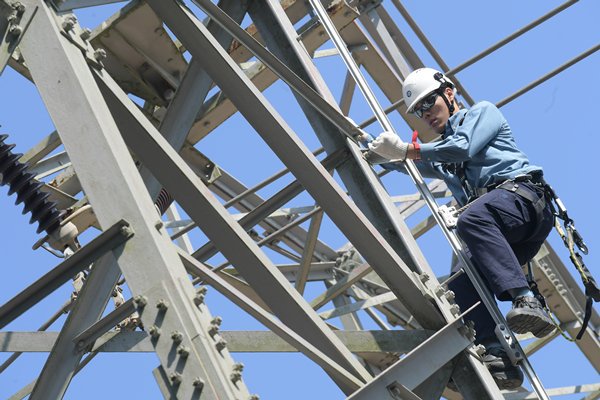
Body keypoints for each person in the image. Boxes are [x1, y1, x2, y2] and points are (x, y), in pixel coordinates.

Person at [366, 67, 556, 390]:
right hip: (503, 227)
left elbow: (463, 147)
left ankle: (527, 300)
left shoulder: (482, 113)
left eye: (429, 103)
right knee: (460, 281)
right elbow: (413, 163)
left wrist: (406, 150)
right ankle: (498, 356)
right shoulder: (442, 154)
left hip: (524, 201)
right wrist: (373, 151)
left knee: (471, 219)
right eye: (419, 111)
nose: (426, 115)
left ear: (449, 93)